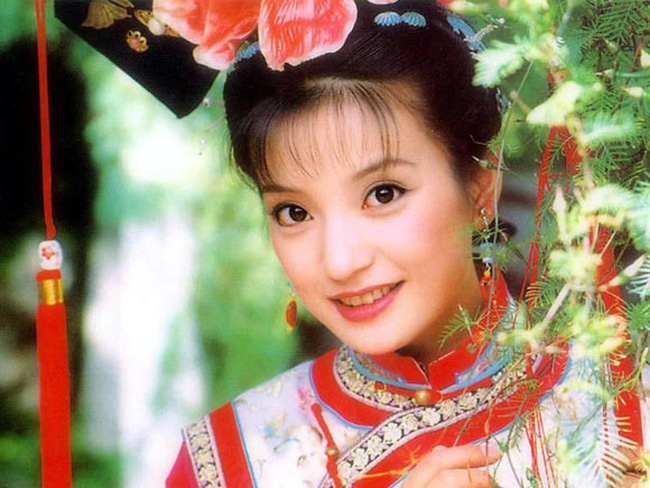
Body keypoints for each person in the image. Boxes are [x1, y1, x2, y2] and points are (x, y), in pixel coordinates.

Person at [53, 0, 647, 486]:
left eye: (383, 194)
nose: (339, 261)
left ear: (478, 188)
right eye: (293, 212)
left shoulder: (623, 408)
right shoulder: (229, 461)